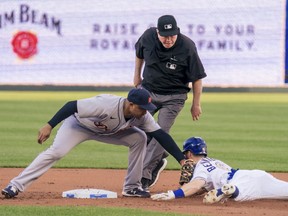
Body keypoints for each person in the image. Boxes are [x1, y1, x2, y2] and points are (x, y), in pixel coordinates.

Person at [1, 88, 187, 199]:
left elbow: (161, 135)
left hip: (109, 131)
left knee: (139, 138)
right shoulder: (105, 104)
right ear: (130, 104)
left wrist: (181, 160)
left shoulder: (142, 116)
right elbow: (71, 105)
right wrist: (49, 125)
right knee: (56, 152)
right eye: (142, 108)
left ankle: (132, 187)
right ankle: (15, 185)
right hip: (79, 126)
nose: (146, 112)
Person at [133, 14, 207, 191]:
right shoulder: (147, 37)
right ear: (157, 32)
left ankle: (145, 176)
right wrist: (136, 75)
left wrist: (196, 104)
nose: (168, 39)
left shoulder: (187, 46)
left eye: (172, 35)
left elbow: (197, 78)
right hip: (148, 91)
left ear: (177, 32)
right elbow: (139, 54)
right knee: (136, 129)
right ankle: (159, 157)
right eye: (165, 35)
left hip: (174, 96)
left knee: (160, 133)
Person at [151, 137, 288, 203]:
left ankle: (231, 190)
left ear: (189, 153)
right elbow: (201, 189)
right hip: (255, 174)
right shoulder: (214, 161)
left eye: (185, 154)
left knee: (239, 195)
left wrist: (173, 194)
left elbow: (196, 185)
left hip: (240, 183)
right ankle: (229, 189)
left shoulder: (200, 167)